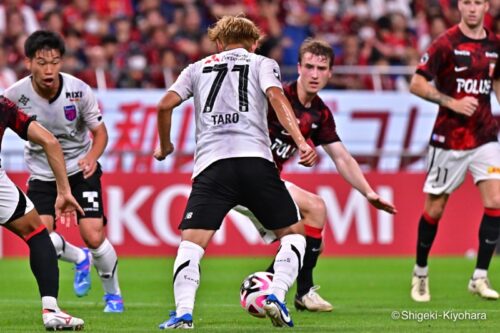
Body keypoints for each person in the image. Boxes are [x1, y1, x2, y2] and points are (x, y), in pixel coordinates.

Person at [154, 15, 318, 329]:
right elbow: (276, 97)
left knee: (191, 245)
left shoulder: (196, 68)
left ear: (218, 42)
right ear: (254, 42)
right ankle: (277, 296)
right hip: (256, 162)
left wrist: (165, 146)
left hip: (212, 167)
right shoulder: (262, 63)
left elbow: (164, 106)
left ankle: (183, 314)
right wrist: (301, 141)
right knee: (295, 237)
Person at [235, 38, 397, 312]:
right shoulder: (275, 96)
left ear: (330, 73)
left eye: (321, 68)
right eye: (309, 66)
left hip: (266, 182)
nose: (314, 74)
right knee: (315, 212)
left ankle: (270, 288)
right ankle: (297, 291)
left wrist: (368, 192)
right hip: (242, 175)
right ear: (298, 67)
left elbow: (342, 157)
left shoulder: (320, 113)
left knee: (312, 242)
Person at [3, 30, 124, 312]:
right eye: (42, 62)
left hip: (79, 169)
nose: (49, 69)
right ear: (28, 62)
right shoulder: (14, 95)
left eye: (55, 62)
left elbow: (101, 133)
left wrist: (93, 157)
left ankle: (113, 296)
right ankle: (80, 259)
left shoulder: (78, 90)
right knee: (40, 237)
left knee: (93, 234)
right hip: (43, 174)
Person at [409, 0, 500, 302]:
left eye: (478, 2)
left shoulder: (495, 44)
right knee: (435, 209)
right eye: (466, 2)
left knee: (496, 200)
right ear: (459, 6)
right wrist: (452, 102)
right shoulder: (445, 43)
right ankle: (420, 272)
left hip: (485, 135)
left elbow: (496, 80)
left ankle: (480, 276)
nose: (472, 8)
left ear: (486, 6)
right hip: (450, 139)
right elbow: (417, 84)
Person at [0, 95, 84, 330]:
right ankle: (51, 310)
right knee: (38, 235)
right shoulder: (3, 106)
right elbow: (50, 141)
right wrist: (64, 190)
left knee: (39, 234)